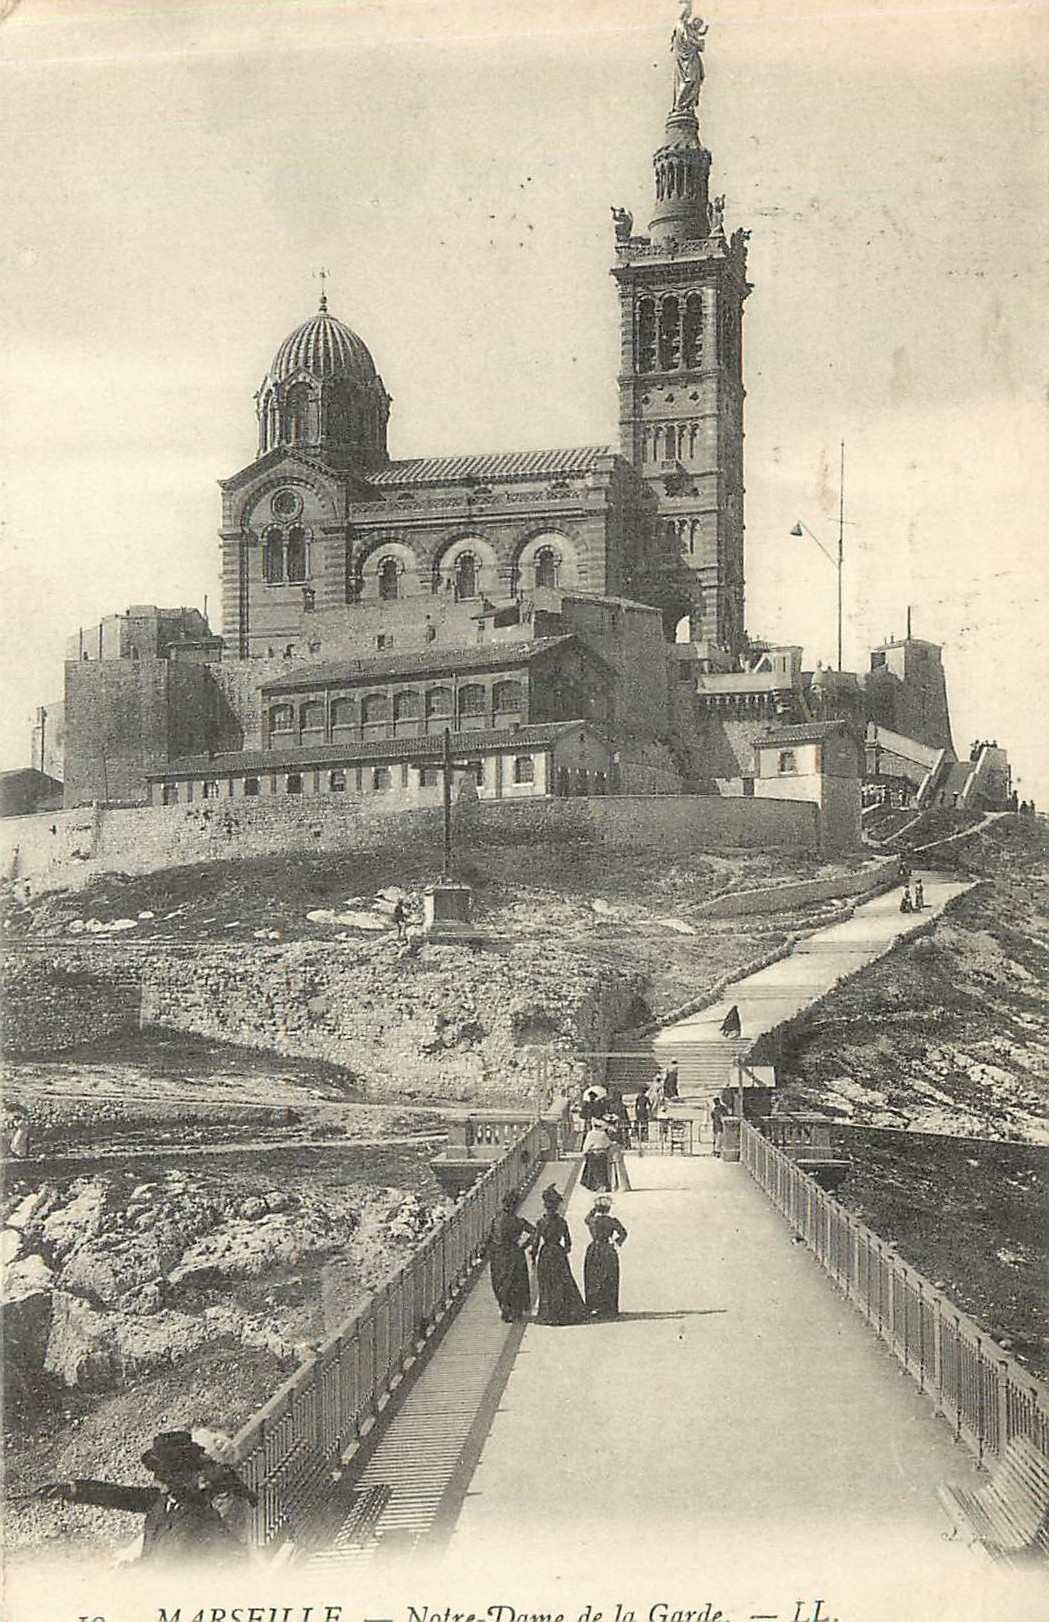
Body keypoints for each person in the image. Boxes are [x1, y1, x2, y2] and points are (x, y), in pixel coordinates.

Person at [35, 1431, 256, 1566]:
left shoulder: (208, 1516)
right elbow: (120, 1495)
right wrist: (72, 1489)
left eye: (163, 1475)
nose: (156, 1480)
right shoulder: (166, 1500)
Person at [529, 1185, 586, 1325]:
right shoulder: (562, 1222)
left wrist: (533, 1255)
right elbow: (568, 1243)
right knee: (562, 1282)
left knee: (546, 1284)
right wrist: (562, 1251)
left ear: (545, 1206)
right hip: (558, 1253)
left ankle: (548, 1314)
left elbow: (535, 1242)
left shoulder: (541, 1222)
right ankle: (564, 1312)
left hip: (546, 1253)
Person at [486, 1189, 535, 1322]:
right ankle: (514, 1309)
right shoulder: (519, 1221)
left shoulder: (496, 1219)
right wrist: (524, 1246)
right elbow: (535, 1232)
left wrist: (486, 1252)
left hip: (498, 1254)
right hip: (514, 1253)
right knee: (516, 1281)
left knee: (500, 1281)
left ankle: (504, 1306)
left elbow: (490, 1237)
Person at [583, 1197, 628, 1319]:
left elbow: (586, 1219)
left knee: (593, 1278)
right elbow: (623, 1233)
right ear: (608, 1209)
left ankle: (594, 1306)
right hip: (607, 1249)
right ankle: (609, 1307)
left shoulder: (593, 1221)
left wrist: (594, 1208)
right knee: (609, 1277)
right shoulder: (612, 1221)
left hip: (594, 1249)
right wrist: (616, 1242)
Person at [580, 1119, 613, 1192]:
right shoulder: (603, 1134)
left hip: (594, 1153)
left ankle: (597, 1186)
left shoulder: (591, 1134)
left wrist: (584, 1152)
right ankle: (604, 1185)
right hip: (603, 1153)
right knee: (603, 1170)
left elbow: (587, 1145)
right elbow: (609, 1143)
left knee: (594, 1171)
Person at [605, 1117, 632, 1192]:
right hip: (616, 1149)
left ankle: (613, 1185)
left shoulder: (607, 1131)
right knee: (619, 1168)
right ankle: (622, 1185)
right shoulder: (617, 1131)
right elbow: (622, 1141)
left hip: (611, 1149)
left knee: (612, 1168)